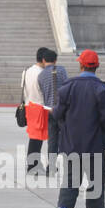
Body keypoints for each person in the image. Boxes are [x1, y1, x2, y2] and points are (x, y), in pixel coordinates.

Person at [52, 50, 105, 208]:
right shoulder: (101, 89)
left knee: (71, 180)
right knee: (95, 183)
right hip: (94, 144)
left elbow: (57, 114)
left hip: (72, 144)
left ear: (80, 65)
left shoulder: (67, 87)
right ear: (97, 67)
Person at [38, 48, 69, 176]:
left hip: (49, 111)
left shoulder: (41, 75)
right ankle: (70, 165)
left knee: (52, 140)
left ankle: (51, 167)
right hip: (63, 110)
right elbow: (67, 87)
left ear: (44, 60)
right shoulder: (61, 70)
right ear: (55, 60)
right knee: (68, 138)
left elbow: (42, 92)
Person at [22, 48, 50, 173]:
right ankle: (33, 165)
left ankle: (33, 163)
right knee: (37, 138)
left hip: (29, 105)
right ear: (44, 59)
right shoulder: (42, 74)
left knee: (34, 137)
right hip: (39, 107)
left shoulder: (26, 71)